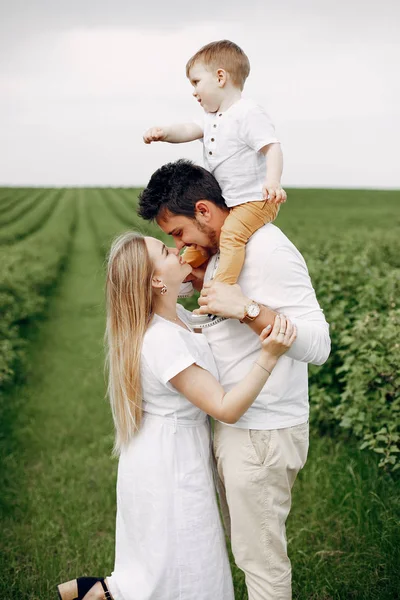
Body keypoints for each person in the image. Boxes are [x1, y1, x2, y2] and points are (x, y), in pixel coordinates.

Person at [56, 232, 297, 600]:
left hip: (165, 452)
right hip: (169, 466)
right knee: (188, 567)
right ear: (155, 279)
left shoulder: (178, 318)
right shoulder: (161, 339)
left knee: (165, 564)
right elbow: (225, 408)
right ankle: (102, 593)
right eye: (167, 252)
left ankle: (96, 592)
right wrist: (269, 355)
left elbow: (206, 330)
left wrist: (202, 279)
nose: (178, 250)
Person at [138, 160, 331, 600]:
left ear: (204, 211)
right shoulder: (226, 249)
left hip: (262, 431)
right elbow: (220, 336)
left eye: (179, 233)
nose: (179, 246)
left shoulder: (268, 251)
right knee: (246, 552)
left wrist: (248, 310)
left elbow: (319, 346)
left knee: (260, 562)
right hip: (235, 426)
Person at [143, 40, 286, 309]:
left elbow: (272, 147)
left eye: (196, 82)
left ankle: (223, 289)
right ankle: (189, 276)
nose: (194, 92)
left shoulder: (248, 113)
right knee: (203, 244)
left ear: (220, 77)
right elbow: (187, 130)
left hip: (255, 200)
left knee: (231, 236)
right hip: (232, 201)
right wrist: (164, 133)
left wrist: (272, 181)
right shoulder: (210, 117)